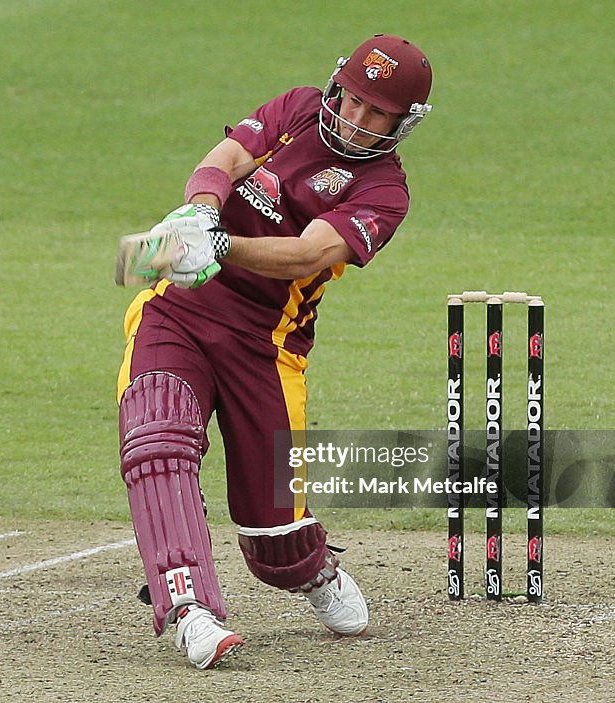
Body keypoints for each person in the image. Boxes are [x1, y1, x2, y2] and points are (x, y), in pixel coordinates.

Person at [115, 34, 433, 670]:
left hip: (266, 344)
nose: (356, 118)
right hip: (177, 312)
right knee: (156, 440)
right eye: (352, 99)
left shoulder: (384, 190)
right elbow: (225, 158)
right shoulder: (297, 108)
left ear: (404, 124)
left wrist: (222, 249)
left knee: (273, 543)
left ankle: (312, 569)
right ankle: (189, 611)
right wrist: (201, 214)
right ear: (336, 82)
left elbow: (310, 254)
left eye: (378, 114)